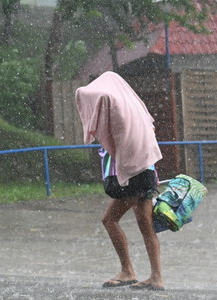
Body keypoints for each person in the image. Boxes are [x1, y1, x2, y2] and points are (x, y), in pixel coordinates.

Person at [75, 71, 165, 290]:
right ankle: (156, 277)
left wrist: (124, 177)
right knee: (146, 225)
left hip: (134, 176)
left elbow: (120, 147)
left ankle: (128, 271)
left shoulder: (118, 114)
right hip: (146, 172)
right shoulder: (134, 109)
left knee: (110, 220)